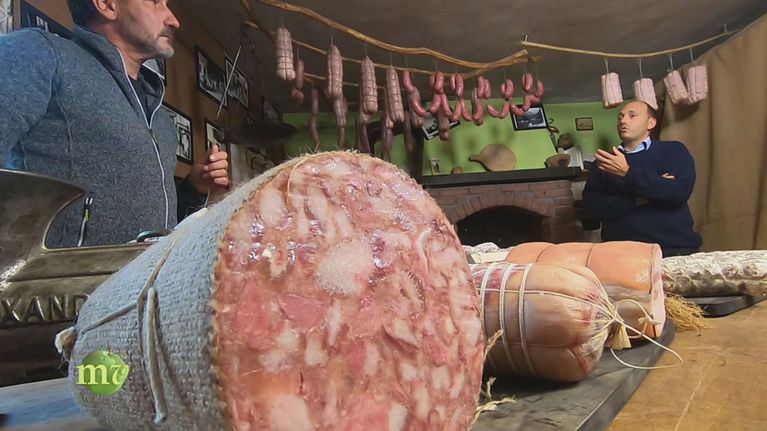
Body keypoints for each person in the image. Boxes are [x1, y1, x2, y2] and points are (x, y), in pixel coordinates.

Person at [0, 0, 229, 247]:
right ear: (107, 5)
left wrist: (193, 188)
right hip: (69, 274)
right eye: (155, 2)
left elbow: (161, 225)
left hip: (154, 271)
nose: (173, 20)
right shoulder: (41, 53)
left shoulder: (161, 118)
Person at [583, 100, 702, 257]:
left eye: (632, 116)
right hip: (620, 254)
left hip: (673, 250)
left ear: (651, 123)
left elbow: (677, 193)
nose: (623, 121)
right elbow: (594, 209)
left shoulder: (673, 151)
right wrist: (640, 198)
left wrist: (627, 172)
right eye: (620, 117)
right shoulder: (604, 163)